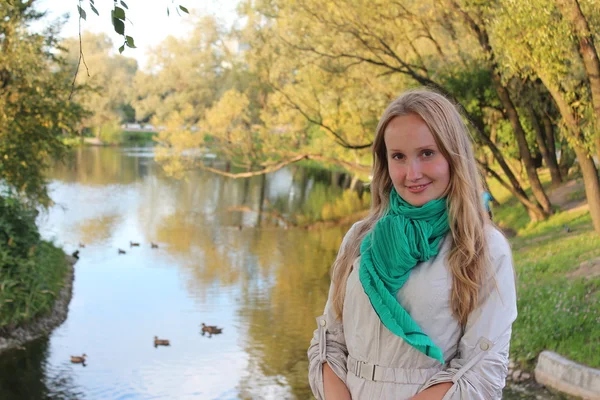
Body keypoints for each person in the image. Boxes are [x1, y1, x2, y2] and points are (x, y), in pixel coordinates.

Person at [307, 89, 517, 399]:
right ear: (385, 162)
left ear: (453, 155)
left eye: (427, 153)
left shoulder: (483, 247)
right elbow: (328, 344)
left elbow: (481, 371)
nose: (412, 173)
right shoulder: (359, 238)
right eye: (399, 157)